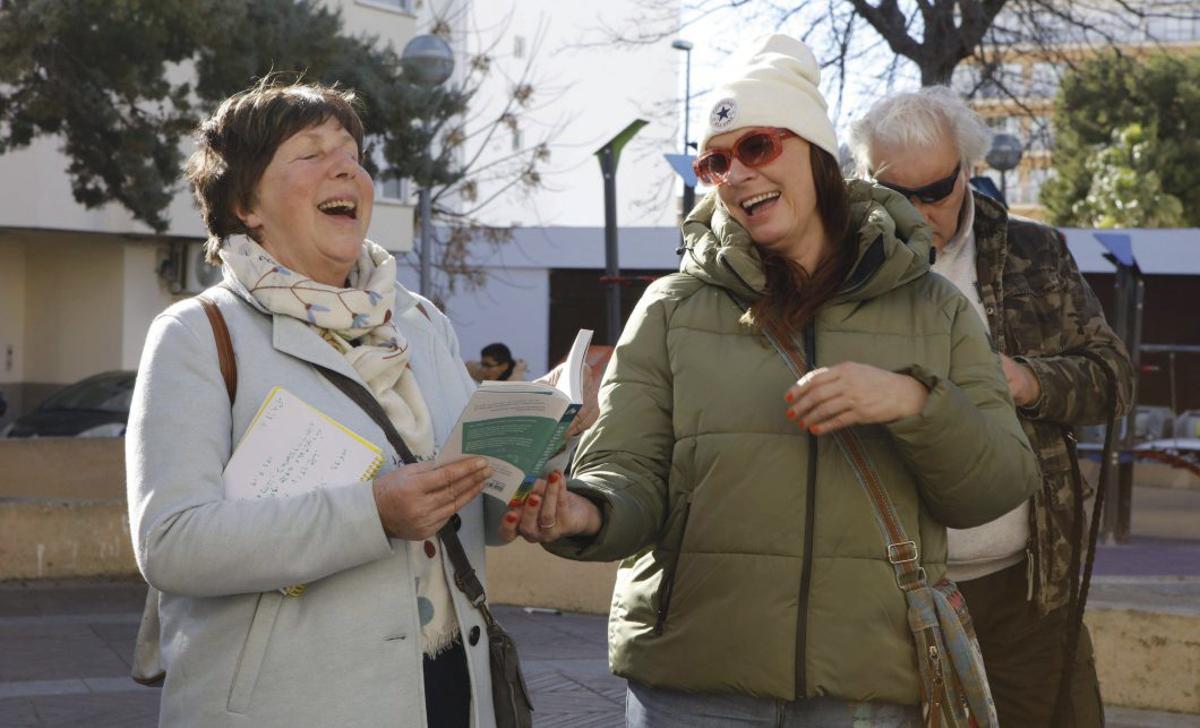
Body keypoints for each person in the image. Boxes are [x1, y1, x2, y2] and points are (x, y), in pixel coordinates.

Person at [497, 35, 1040, 727]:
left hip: (865, 687)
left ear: (814, 152)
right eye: (715, 161)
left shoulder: (934, 307)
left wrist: (913, 402)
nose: (737, 174)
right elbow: (626, 467)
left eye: (758, 146)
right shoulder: (671, 308)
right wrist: (584, 512)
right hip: (692, 682)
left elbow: (996, 485)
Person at [126, 78, 547, 727]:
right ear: (245, 202)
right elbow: (172, 544)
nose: (346, 165)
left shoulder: (421, 321)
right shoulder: (197, 335)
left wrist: (515, 488)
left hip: (451, 691)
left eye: (351, 150)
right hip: (290, 705)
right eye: (312, 151)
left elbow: (467, 508)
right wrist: (373, 512)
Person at [847, 86, 1134, 727]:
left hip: (1026, 587)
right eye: (898, 192)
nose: (920, 211)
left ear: (969, 169)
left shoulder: (1034, 252)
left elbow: (1113, 378)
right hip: (886, 591)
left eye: (937, 190)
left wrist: (1023, 381)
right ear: (864, 179)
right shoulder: (836, 264)